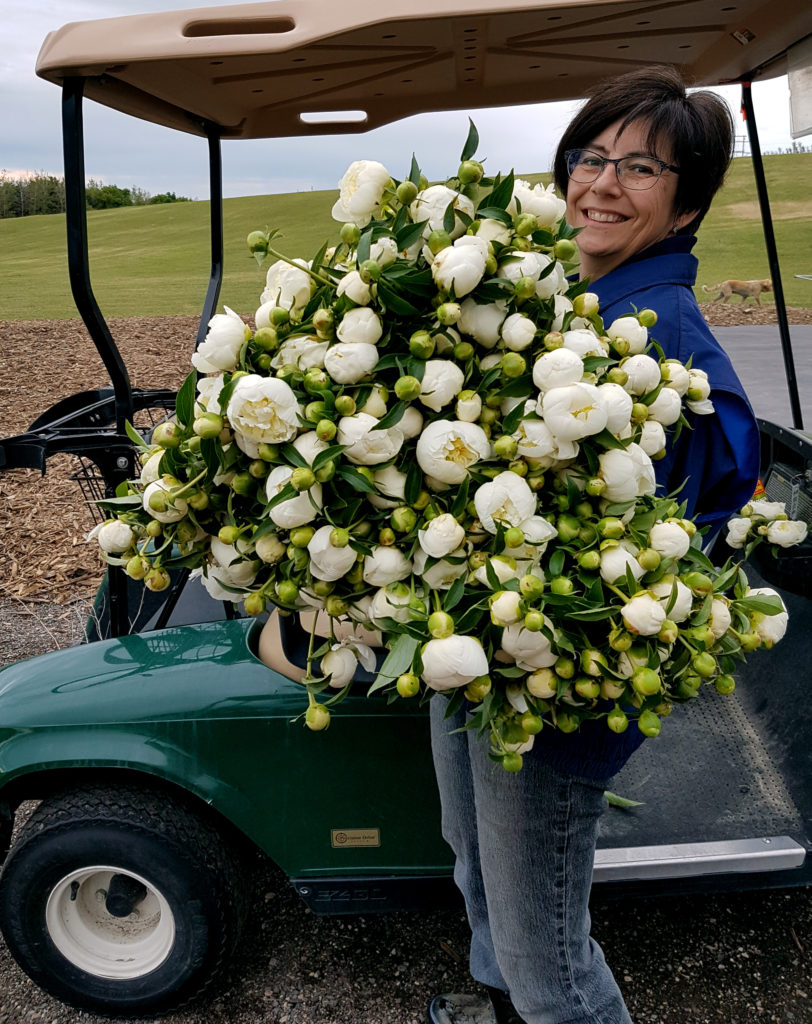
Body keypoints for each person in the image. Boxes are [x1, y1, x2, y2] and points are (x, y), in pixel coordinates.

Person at [428, 66, 759, 1024]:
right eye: (591, 157)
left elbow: (657, 555)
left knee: (549, 962)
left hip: (555, 695)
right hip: (475, 654)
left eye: (641, 168)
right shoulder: (562, 307)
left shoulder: (670, 357)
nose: (602, 184)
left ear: (686, 205)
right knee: (476, 868)